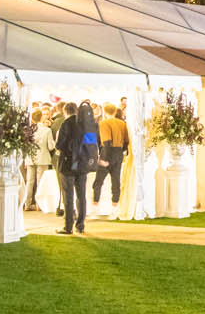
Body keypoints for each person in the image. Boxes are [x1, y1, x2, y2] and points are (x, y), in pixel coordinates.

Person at [54, 100, 100, 235]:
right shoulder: (87, 124)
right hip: (83, 164)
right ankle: (80, 225)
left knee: (68, 196)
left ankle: (68, 226)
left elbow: (59, 145)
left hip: (68, 164)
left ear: (65, 111)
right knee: (81, 196)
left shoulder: (67, 123)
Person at [93, 102, 129, 210]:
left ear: (105, 111)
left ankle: (95, 202)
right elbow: (126, 141)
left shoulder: (104, 123)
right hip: (118, 153)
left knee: (99, 180)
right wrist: (120, 151)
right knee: (116, 179)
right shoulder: (123, 123)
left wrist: (104, 158)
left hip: (107, 152)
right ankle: (115, 204)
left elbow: (107, 141)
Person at [25, 105, 54, 210]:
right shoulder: (46, 130)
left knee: (29, 182)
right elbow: (50, 147)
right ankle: (39, 205)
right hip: (43, 158)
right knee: (40, 183)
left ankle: (27, 204)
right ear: (41, 117)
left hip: (30, 157)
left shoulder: (28, 130)